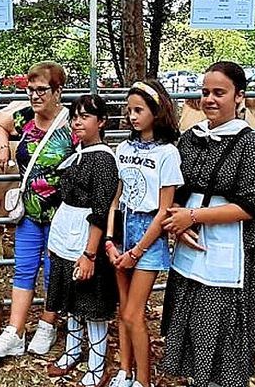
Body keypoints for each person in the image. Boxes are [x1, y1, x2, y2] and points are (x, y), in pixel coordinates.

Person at [160, 62, 255, 387]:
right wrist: (177, 218)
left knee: (218, 313)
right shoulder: (191, 138)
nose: (209, 99)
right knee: (191, 308)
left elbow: (249, 205)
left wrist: (191, 218)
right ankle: (197, 374)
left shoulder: (250, 145)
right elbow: (174, 187)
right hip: (188, 238)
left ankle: (220, 379)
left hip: (226, 242)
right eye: (205, 92)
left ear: (239, 96)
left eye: (219, 92)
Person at [0, 61, 73, 358]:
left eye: (41, 90)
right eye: (30, 90)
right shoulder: (25, 118)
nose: (35, 96)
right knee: (23, 269)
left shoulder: (72, 124)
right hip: (29, 212)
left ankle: (48, 325)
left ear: (58, 91)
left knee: (52, 271)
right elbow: (1, 124)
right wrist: (2, 146)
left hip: (61, 213)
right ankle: (15, 331)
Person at [105, 80, 182, 387]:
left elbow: (164, 210)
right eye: (129, 110)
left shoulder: (168, 153)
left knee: (135, 312)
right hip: (123, 227)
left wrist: (137, 251)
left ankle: (143, 379)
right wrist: (110, 240)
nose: (132, 116)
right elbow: (116, 196)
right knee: (124, 309)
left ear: (156, 111)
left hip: (149, 235)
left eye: (139, 110)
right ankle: (125, 370)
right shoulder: (122, 149)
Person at [44, 95, 119, 387]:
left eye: (86, 116)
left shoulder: (103, 160)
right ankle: (73, 350)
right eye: (75, 115)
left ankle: (97, 364)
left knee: (91, 301)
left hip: (86, 239)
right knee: (72, 298)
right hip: (66, 233)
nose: (77, 121)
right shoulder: (78, 153)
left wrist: (90, 253)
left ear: (101, 122)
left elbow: (101, 210)